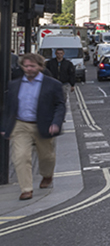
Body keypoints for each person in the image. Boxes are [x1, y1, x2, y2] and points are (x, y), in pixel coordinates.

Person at [2, 53, 67, 201]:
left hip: (43, 125)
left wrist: (56, 123)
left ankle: (47, 175)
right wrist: (5, 126)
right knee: (20, 156)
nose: (29, 69)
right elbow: (8, 108)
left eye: (32, 66)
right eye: (26, 66)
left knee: (47, 157)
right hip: (21, 125)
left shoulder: (52, 84)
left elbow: (60, 105)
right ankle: (26, 189)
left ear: (40, 66)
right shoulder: (14, 85)